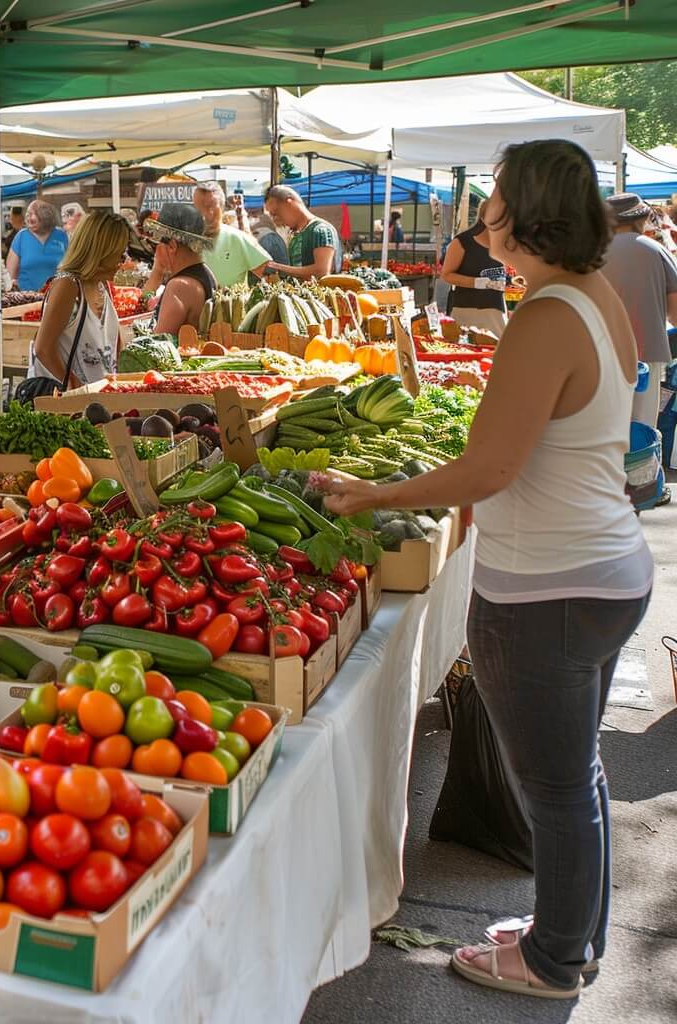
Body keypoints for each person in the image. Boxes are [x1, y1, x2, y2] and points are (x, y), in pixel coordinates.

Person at [319, 139, 652, 1001]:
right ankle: (570, 934)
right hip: (601, 567)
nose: (482, 214)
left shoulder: (546, 316)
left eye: (495, 198)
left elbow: (488, 467)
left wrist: (368, 494)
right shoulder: (593, 295)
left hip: (549, 588)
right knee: (575, 774)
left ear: (525, 212)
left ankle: (553, 961)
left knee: (556, 785)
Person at [601, 192, 677, 431]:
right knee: (642, 427)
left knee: (605, 426)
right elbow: (675, 313)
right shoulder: (658, 251)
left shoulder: (591, 253)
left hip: (600, 350)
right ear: (642, 219)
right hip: (648, 348)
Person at [27, 210, 129, 389]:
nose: (123, 262)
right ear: (102, 251)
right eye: (119, 255)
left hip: (100, 400)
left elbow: (115, 345)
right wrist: (75, 385)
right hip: (72, 405)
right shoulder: (68, 286)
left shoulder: (102, 286)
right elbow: (43, 348)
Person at [143, 204, 216, 335]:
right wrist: (158, 271)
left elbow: (159, 342)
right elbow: (144, 300)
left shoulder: (179, 286)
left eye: (157, 245)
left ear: (171, 246)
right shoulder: (207, 273)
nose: (156, 252)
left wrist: (157, 271)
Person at [440, 200, 508, 339]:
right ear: (485, 219)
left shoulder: (503, 243)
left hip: (497, 312)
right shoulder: (462, 242)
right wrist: (479, 283)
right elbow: (446, 275)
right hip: (468, 311)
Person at [192, 181, 269, 287]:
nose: (203, 215)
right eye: (198, 208)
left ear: (222, 208)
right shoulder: (184, 241)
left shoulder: (237, 239)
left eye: (210, 208)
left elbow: (272, 276)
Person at [263, 184, 341, 282]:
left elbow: (321, 271)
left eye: (276, 213)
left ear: (289, 203)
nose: (275, 220)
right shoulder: (294, 236)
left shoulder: (320, 230)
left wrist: (278, 267)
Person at [6, 200, 68, 292]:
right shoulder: (21, 236)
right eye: (27, 214)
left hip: (55, 297)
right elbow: (11, 275)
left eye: (32, 214)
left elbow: (69, 267)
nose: (28, 218)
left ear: (46, 216)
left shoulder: (61, 235)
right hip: (27, 299)